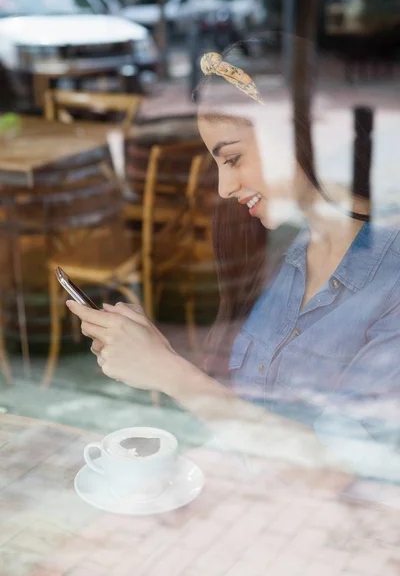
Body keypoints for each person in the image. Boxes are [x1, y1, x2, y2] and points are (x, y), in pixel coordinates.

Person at [67, 43, 400, 482]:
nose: (225, 186)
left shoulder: (390, 281)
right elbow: (254, 415)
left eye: (234, 158)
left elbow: (344, 471)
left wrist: (170, 373)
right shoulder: (287, 251)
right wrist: (154, 354)